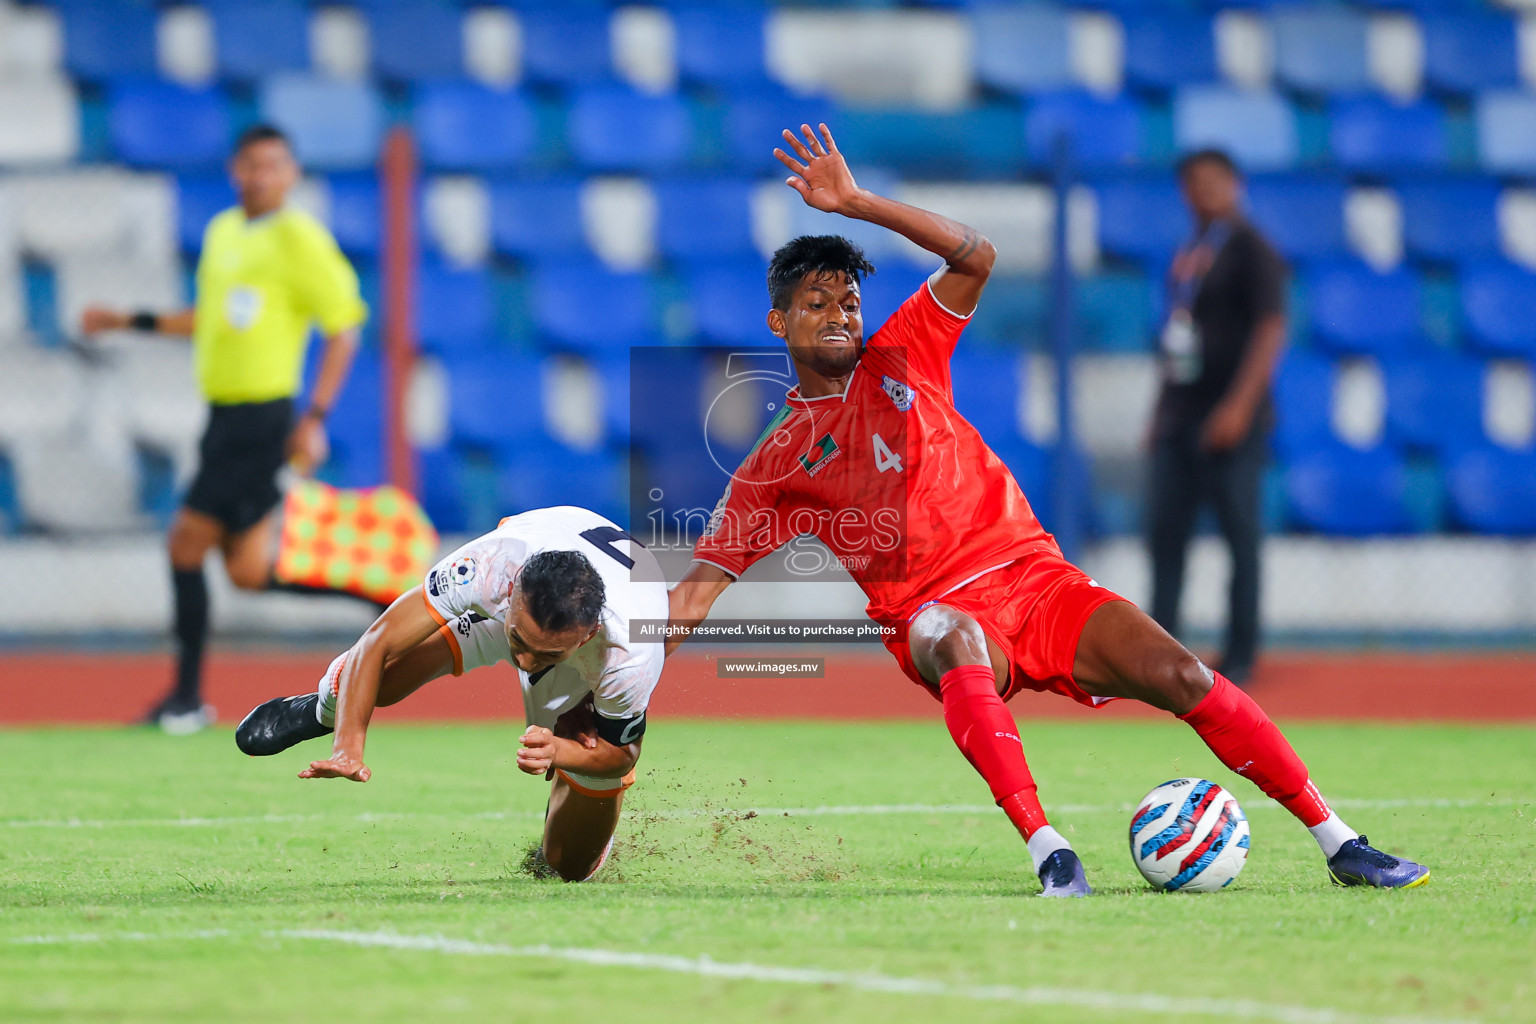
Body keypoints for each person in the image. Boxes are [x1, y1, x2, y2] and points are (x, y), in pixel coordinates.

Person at [666, 124, 1428, 896]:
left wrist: (859, 202)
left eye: (850, 300)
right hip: (931, 610)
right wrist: (617, 687)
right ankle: (1050, 851)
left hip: (1035, 580)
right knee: (954, 636)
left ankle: (1340, 843)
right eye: (815, 302)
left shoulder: (903, 355)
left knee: (1184, 672)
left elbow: (976, 255)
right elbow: (696, 591)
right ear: (779, 324)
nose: (838, 313)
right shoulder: (772, 463)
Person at [80, 124, 369, 734]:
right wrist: (127, 320)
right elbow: (210, 320)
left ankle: (186, 700)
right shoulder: (224, 232)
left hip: (262, 417)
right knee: (244, 570)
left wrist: (314, 417)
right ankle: (373, 591)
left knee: (184, 544)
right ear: (235, 170)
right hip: (223, 418)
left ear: (290, 173)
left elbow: (344, 326)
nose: (260, 175)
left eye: (273, 165)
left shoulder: (300, 238)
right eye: (249, 164)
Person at [235, 506, 668, 883]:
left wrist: (561, 751)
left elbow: (620, 752)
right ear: (512, 591)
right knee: (375, 673)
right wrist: (347, 743)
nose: (526, 664)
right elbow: (379, 640)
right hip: (522, 602)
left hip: (586, 664)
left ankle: (563, 817)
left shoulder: (627, 655)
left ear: (589, 633)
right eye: (519, 642)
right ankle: (320, 708)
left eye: (545, 653)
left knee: (568, 866)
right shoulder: (492, 567)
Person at [1147, 149, 1288, 687]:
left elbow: (1270, 328)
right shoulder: (1189, 251)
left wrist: (1238, 407)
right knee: (1166, 534)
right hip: (1181, 413)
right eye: (1192, 183)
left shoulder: (1253, 250)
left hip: (1232, 419)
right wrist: (1159, 410)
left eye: (1213, 181)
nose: (1202, 192)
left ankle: (1242, 653)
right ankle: (1158, 650)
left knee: (1239, 535)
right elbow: (1176, 339)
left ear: (1235, 184)